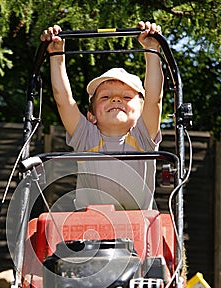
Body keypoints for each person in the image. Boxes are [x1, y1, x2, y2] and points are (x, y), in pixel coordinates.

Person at [40, 21, 164, 210]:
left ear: (141, 111)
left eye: (126, 97)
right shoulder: (86, 138)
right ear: (91, 116)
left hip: (139, 227)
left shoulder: (143, 136)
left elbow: (154, 98)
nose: (116, 100)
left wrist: (153, 50)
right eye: (106, 96)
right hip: (89, 229)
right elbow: (63, 100)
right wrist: (57, 56)